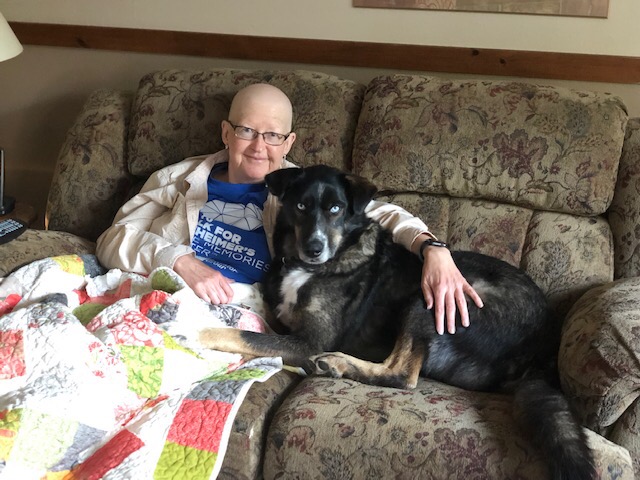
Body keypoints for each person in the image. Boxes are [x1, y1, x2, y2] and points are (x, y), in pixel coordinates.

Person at [96, 83, 482, 336]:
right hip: (163, 289)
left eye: (273, 135)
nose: (258, 146)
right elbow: (112, 239)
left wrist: (434, 249)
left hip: (237, 312)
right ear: (227, 132)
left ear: (288, 142)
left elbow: (382, 215)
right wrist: (179, 261)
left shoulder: (303, 190)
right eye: (246, 130)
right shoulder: (177, 179)